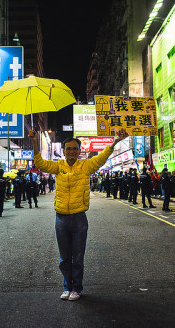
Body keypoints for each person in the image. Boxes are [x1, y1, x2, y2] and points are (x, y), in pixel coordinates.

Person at [29, 128, 128, 301]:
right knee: (64, 257)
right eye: (68, 149)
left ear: (79, 151)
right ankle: (67, 287)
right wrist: (34, 141)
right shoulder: (58, 166)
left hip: (79, 218)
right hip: (61, 218)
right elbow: (40, 162)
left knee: (78, 257)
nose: (72, 151)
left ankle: (77, 288)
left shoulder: (86, 166)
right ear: (64, 151)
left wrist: (115, 141)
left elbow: (103, 156)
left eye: (75, 148)